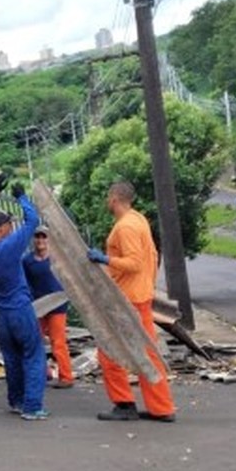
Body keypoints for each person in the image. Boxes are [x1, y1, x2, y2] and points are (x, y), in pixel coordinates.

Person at [87, 180, 177, 422]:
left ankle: (124, 404)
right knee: (148, 353)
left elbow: (134, 263)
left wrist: (104, 259)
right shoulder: (138, 219)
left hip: (127, 300)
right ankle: (162, 408)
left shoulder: (125, 227)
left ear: (114, 199)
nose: (107, 202)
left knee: (109, 350)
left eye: (108, 198)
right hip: (141, 296)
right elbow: (151, 256)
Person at [0, 177, 48, 420]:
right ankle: (33, 407)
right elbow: (33, 221)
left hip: (1, 314)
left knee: (12, 358)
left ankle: (16, 401)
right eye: (9, 224)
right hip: (20, 308)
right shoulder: (10, 246)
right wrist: (22, 197)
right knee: (33, 354)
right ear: (4, 228)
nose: (12, 228)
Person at [22, 225, 74, 388]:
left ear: (49, 239)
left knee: (58, 342)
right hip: (38, 306)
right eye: (37, 237)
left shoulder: (58, 259)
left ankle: (66, 378)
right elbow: (24, 282)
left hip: (57, 305)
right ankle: (43, 374)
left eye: (44, 237)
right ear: (33, 239)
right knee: (35, 341)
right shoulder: (27, 261)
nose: (40, 240)